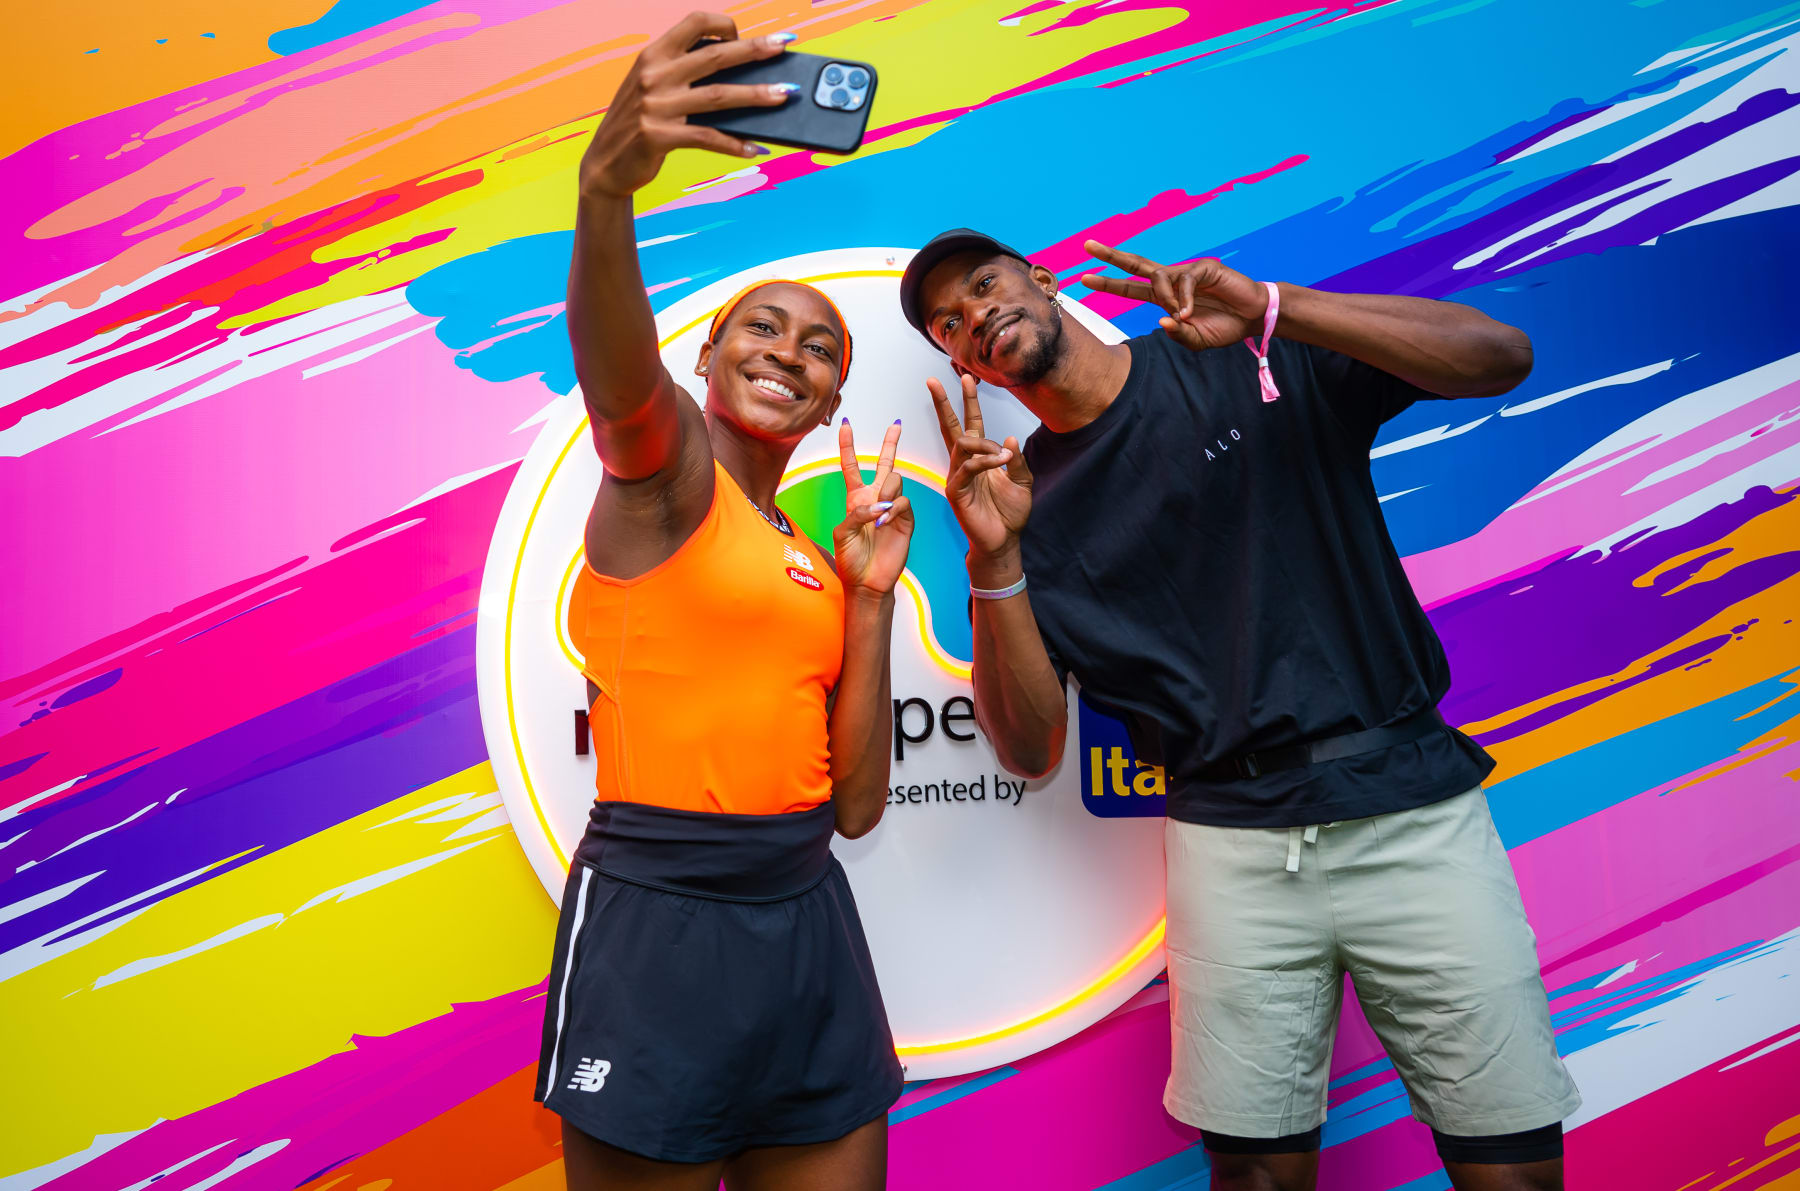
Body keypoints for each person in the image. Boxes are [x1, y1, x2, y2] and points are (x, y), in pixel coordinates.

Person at [901, 228, 1581, 1191]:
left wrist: (1276, 306)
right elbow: (1028, 745)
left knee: (1509, 1162)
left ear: (1041, 280)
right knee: (1254, 1174)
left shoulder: (1232, 352)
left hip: (1410, 806)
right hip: (1230, 840)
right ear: (963, 362)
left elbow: (1497, 356)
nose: (975, 316)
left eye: (983, 285)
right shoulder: (1021, 503)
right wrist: (996, 563)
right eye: (950, 324)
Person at [535, 15, 910, 1190]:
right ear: (706, 357)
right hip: (663, 918)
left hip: (807, 914)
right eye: (765, 327)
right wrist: (605, 193)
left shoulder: (805, 551)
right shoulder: (667, 480)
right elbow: (617, 376)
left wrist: (869, 599)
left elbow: (855, 809)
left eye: (821, 351)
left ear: (826, 403)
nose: (792, 354)